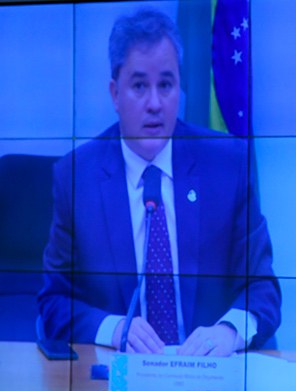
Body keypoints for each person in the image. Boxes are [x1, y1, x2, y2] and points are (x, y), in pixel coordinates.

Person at [37, 7, 281, 356]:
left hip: (209, 373)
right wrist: (114, 329)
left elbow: (262, 288)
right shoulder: (77, 177)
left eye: (165, 85)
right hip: (117, 375)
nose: (154, 104)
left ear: (180, 87)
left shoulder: (226, 165)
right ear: (115, 93)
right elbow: (54, 302)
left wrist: (229, 331)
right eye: (139, 86)